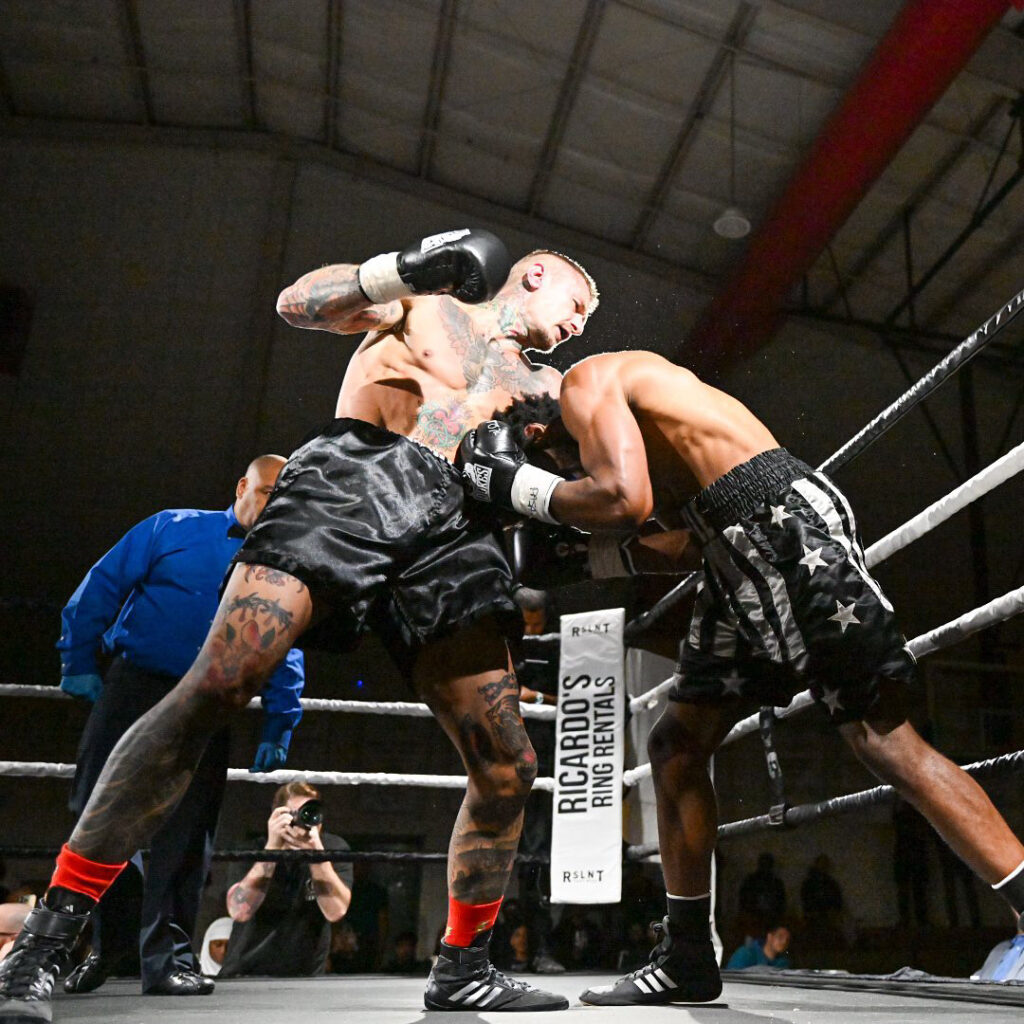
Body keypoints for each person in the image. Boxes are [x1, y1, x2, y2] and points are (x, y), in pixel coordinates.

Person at [0, 228, 598, 1022]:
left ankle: (463, 966)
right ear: (532, 275)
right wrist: (405, 266)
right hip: (358, 476)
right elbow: (299, 303)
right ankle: (46, 942)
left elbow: (591, 496)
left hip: (461, 533)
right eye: (576, 303)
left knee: (509, 764)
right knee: (217, 687)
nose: (579, 323)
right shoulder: (429, 303)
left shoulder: (551, 387)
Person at [459, 348, 1024, 1005]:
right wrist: (587, 554)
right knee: (674, 746)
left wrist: (515, 489)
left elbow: (619, 497)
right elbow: (675, 542)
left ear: (537, 439)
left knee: (882, 740)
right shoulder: (651, 436)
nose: (563, 488)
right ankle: (688, 957)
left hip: (781, 533)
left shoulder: (587, 383)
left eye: (551, 475)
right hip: (735, 551)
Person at [56, 456, 306, 998]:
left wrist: (278, 724)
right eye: (265, 494)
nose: (271, 509)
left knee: (188, 832)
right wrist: (77, 659)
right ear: (242, 487)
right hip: (136, 685)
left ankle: (166, 959)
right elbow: (102, 584)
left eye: (283, 501)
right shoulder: (173, 526)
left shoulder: (279, 563)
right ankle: (107, 943)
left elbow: (283, 642)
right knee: (93, 813)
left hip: (212, 698)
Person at [218, 782, 352, 977]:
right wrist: (272, 849)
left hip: (306, 977)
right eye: (294, 814)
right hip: (246, 973)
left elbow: (336, 912)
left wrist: (316, 854)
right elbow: (239, 912)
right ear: (276, 816)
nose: (302, 820)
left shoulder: (333, 849)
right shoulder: (250, 849)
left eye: (309, 812)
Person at [738, 852, 787, 940]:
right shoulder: (753, 881)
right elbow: (744, 899)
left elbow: (781, 902)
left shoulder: (753, 880)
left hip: (764, 918)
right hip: (756, 918)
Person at [725, 924, 792, 970]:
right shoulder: (745, 954)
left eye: (787, 940)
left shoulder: (783, 964)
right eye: (780, 937)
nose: (784, 942)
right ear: (770, 937)